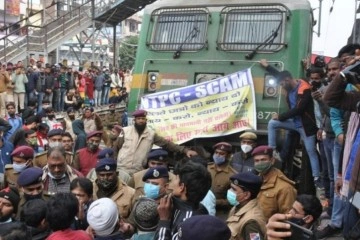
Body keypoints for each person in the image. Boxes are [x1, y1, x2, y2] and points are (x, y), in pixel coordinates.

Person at [323, 59, 360, 238]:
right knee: (350, 230)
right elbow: (330, 98)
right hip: (354, 184)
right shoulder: (357, 100)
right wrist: (345, 74)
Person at [267, 70, 321, 188]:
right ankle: (272, 151)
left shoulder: (304, 88)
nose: (281, 87)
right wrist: (267, 67)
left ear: (287, 80)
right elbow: (279, 74)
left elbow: (299, 109)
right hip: (294, 123)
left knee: (311, 151)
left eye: (281, 84)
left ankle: (317, 178)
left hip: (306, 126)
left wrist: (281, 116)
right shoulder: (289, 88)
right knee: (272, 123)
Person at [116, 109, 197, 175]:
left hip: (138, 172)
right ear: (134, 120)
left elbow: (167, 144)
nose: (141, 121)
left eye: (143, 119)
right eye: (138, 119)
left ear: (146, 120)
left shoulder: (151, 134)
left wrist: (185, 150)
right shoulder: (126, 131)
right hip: (121, 169)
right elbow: (116, 148)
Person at [154, 161, 211, 239]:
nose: (170, 183)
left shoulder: (188, 221)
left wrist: (164, 221)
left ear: (181, 187)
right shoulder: (171, 205)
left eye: (175, 179)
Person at [253, 145, 297, 220]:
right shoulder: (255, 181)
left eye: (263, 160)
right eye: (256, 161)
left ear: (272, 160)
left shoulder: (285, 188)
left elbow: (288, 218)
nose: (260, 163)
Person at [226, 172, 266, 240]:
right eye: (230, 188)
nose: (229, 191)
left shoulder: (251, 223)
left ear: (246, 195)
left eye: (234, 189)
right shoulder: (237, 207)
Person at [208, 142, 237, 209]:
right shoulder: (207, 168)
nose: (217, 155)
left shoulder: (232, 175)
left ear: (228, 156)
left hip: (220, 212)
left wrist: (216, 202)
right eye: (216, 152)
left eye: (221, 154)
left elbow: (233, 200)